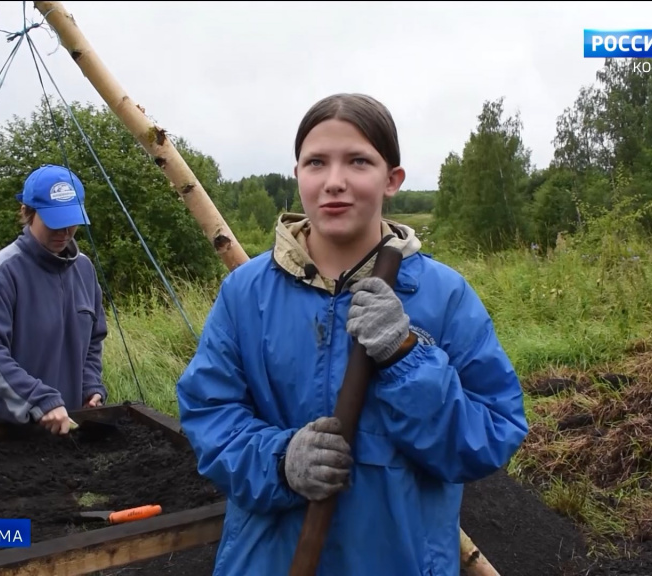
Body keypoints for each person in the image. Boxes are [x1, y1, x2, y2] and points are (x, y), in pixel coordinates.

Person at [175, 93, 529, 576]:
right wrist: (280, 461)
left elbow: (490, 434)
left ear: (392, 180)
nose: (334, 182)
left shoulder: (442, 295)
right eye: (316, 162)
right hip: (270, 562)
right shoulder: (246, 293)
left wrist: (406, 357)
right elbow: (208, 415)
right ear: (297, 173)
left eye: (358, 161)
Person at [0, 164, 108, 435]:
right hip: (0, 434)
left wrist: (89, 384)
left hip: (63, 428)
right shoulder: (2, 272)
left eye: (71, 221)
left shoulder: (85, 270)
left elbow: (93, 340)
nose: (64, 232)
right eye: (54, 222)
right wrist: (36, 399)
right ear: (28, 213)